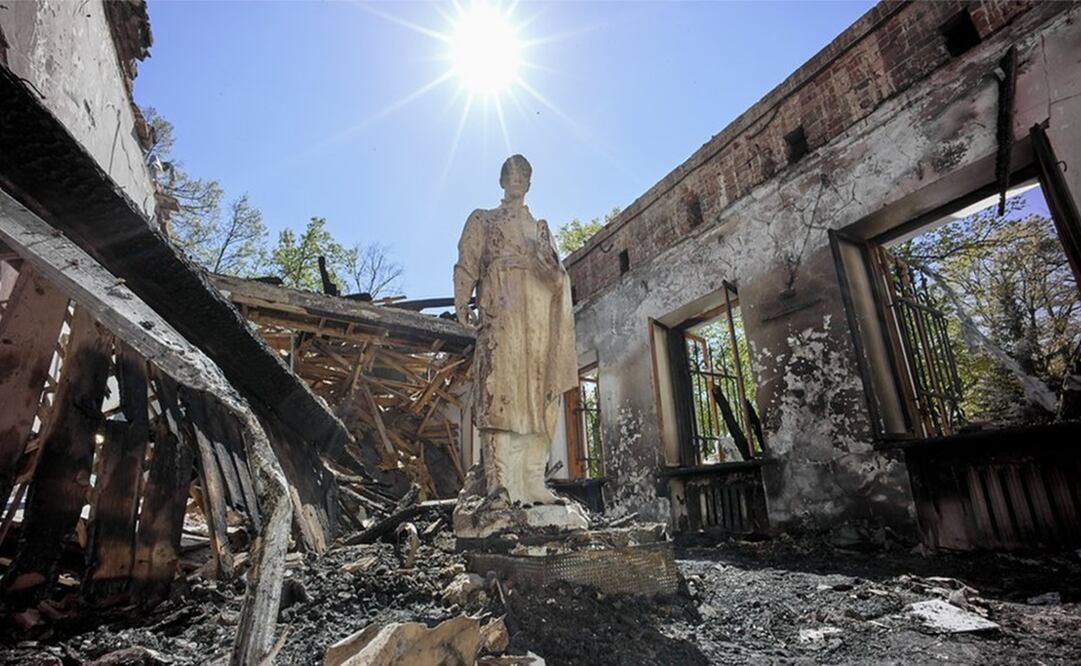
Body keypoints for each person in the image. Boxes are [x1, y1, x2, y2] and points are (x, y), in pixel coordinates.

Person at [453, 155, 577, 505]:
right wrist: (463, 302)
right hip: (501, 311)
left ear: (530, 183)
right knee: (499, 392)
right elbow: (467, 261)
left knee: (539, 396)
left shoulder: (540, 228)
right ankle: (499, 484)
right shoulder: (484, 219)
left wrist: (546, 264)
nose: (518, 179)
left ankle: (534, 481)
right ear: (502, 180)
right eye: (512, 174)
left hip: (538, 316)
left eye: (524, 174)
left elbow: (557, 280)